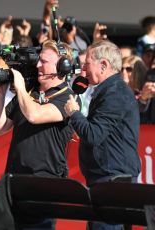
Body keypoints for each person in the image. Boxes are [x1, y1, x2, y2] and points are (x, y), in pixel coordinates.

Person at [0, 39, 77, 229]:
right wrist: (1, 92)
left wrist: (20, 87)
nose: (37, 65)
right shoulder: (29, 94)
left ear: (62, 66)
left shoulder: (67, 98)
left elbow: (34, 115)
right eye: (38, 60)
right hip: (14, 182)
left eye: (44, 61)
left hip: (44, 186)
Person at [64, 40, 141, 230]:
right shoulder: (109, 90)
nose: (83, 69)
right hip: (108, 180)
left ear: (104, 65)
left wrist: (74, 113)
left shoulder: (115, 93)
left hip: (113, 183)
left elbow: (93, 135)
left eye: (87, 64)